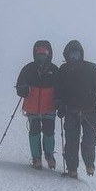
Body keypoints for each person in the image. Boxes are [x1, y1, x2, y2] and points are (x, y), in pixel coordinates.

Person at [55, 40, 96, 178]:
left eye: (76, 54)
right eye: (71, 55)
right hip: (70, 111)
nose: (73, 57)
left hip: (90, 112)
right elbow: (58, 90)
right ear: (66, 55)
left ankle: (89, 164)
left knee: (89, 141)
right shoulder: (63, 70)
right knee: (71, 142)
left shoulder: (92, 69)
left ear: (81, 54)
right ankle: (72, 168)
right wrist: (59, 104)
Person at [15, 40, 60, 170]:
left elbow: (60, 88)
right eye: (39, 53)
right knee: (34, 131)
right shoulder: (29, 69)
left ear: (49, 54)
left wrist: (60, 101)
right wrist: (22, 89)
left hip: (48, 107)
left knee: (49, 132)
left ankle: (49, 154)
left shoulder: (54, 70)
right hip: (32, 107)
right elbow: (20, 84)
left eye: (44, 53)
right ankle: (36, 157)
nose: (41, 56)